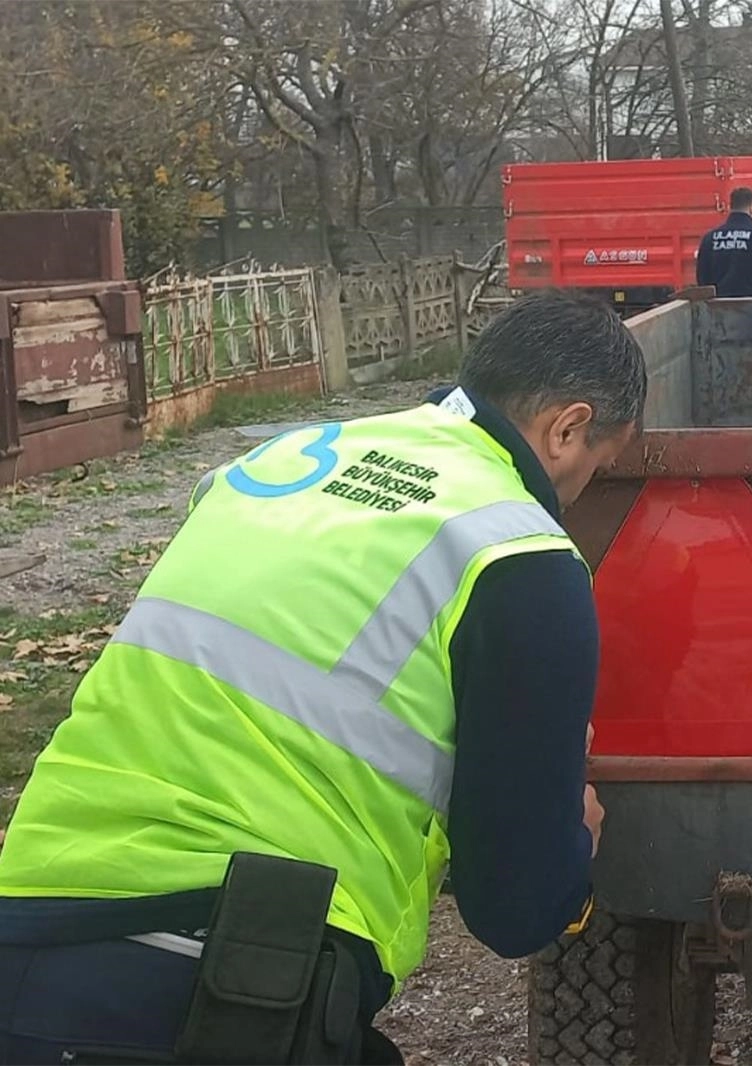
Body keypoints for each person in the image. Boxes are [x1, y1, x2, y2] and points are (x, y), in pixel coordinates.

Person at [0, 290, 644, 1064]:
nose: (577, 497)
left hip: (26, 928)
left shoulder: (272, 462)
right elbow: (514, 909)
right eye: (596, 470)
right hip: (226, 982)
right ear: (567, 428)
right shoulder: (519, 555)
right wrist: (571, 841)